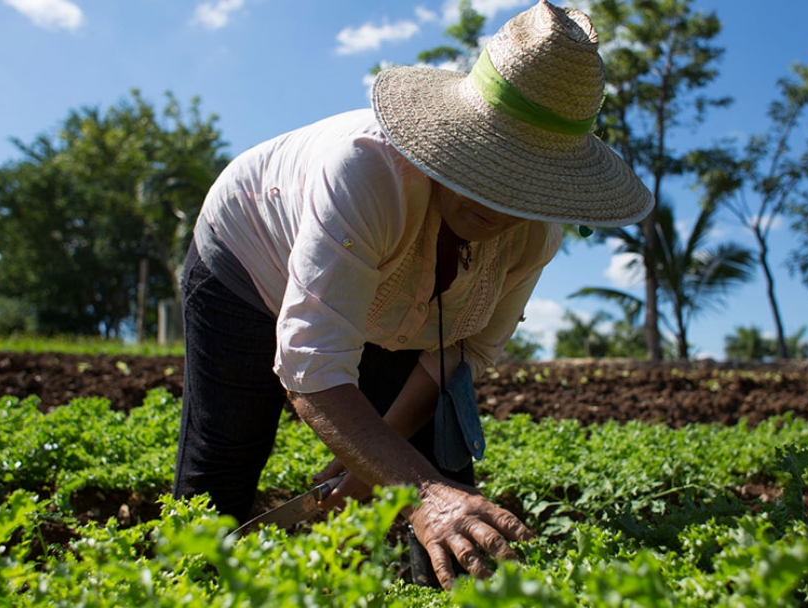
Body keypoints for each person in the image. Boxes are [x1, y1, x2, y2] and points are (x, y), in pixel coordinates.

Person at [172, 0, 653, 590]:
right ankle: (187, 586)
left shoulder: (534, 236)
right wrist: (421, 493)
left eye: (523, 183)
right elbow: (313, 365)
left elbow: (462, 352)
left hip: (396, 307)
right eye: (487, 164)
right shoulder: (367, 172)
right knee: (227, 453)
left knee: (444, 477)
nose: (499, 203)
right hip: (248, 261)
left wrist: (380, 472)